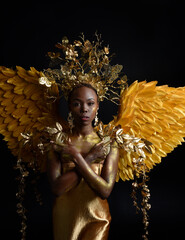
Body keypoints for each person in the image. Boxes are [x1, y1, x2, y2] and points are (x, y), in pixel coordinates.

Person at [47, 84, 119, 240]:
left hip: (97, 216)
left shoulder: (107, 144)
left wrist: (76, 157)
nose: (84, 109)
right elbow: (57, 188)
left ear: (97, 106)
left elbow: (105, 191)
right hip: (65, 216)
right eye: (77, 103)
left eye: (90, 103)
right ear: (70, 107)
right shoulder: (58, 141)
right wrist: (90, 158)